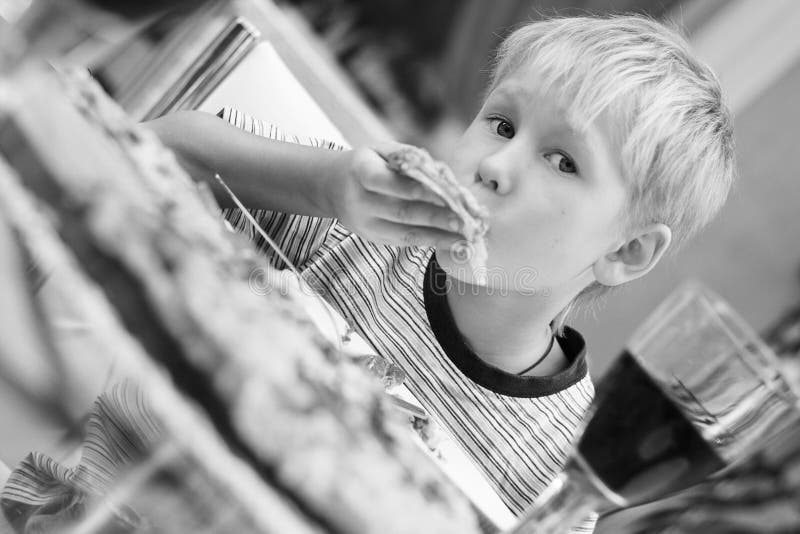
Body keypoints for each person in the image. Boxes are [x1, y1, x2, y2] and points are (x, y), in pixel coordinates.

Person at [159, 13, 734, 531]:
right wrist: (320, 184)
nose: (494, 165)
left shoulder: (564, 460)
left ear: (626, 251)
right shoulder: (357, 224)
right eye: (503, 124)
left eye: (563, 161)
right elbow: (166, 144)